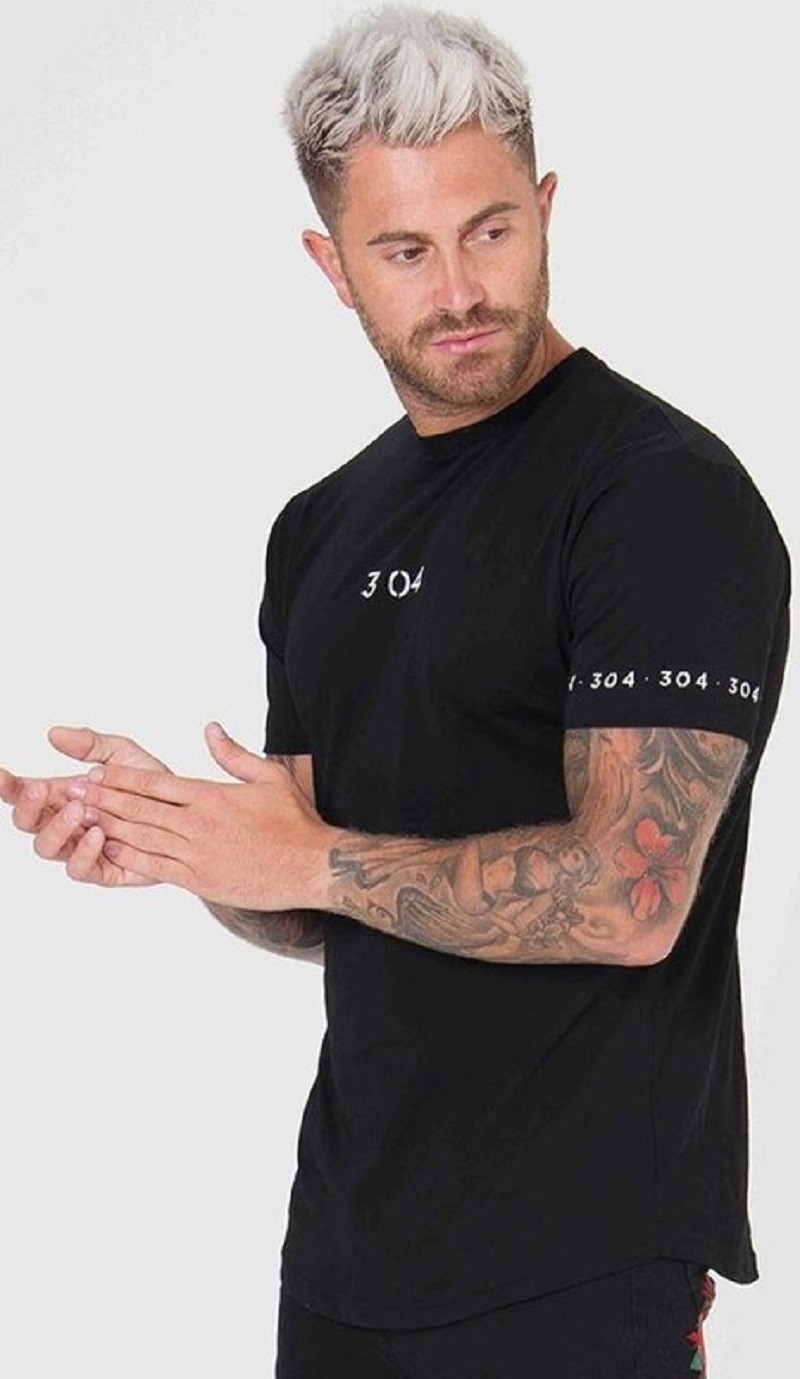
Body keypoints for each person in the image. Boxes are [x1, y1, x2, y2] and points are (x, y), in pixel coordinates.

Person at [0, 6, 791, 1376]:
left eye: (491, 230)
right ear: (333, 265)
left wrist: (308, 854)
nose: (462, 289)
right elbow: (322, 906)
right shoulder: (321, 527)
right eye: (406, 250)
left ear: (546, 208)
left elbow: (630, 896)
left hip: (581, 1266)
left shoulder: (656, 497)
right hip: (347, 1260)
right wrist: (192, 848)